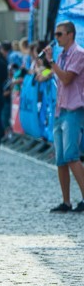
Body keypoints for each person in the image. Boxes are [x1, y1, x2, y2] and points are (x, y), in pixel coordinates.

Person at [43, 22, 84, 212]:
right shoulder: (62, 55)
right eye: (56, 34)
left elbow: (66, 79)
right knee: (60, 159)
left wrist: (51, 62)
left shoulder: (79, 54)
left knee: (71, 156)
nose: (56, 37)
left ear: (70, 35)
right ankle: (66, 202)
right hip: (60, 110)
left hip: (73, 110)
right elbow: (58, 81)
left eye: (59, 34)